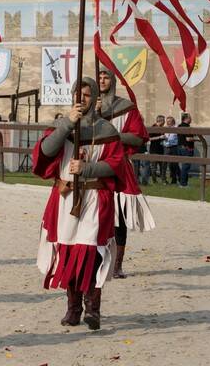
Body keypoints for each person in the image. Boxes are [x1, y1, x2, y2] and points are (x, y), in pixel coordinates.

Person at [32, 77, 124, 330]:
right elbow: (46, 152)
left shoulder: (106, 130)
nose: (81, 99)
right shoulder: (62, 125)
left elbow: (117, 165)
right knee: (69, 252)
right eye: (77, 94)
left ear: (95, 99)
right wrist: (67, 124)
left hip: (94, 198)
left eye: (86, 95)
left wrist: (88, 167)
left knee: (92, 252)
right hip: (66, 199)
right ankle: (73, 309)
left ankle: (93, 309)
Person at [97, 69, 155, 279]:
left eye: (106, 77)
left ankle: (117, 265)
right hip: (93, 165)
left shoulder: (125, 108)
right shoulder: (87, 106)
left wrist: (113, 135)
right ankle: (95, 260)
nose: (102, 80)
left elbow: (138, 137)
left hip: (118, 166)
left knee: (118, 217)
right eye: (99, 77)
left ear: (112, 81)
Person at [176, 113, 194, 187]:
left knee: (183, 166)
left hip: (180, 147)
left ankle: (183, 182)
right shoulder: (187, 127)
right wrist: (197, 139)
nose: (191, 119)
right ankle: (183, 184)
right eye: (190, 118)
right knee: (186, 166)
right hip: (186, 148)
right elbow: (188, 139)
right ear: (186, 119)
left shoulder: (179, 126)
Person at [147, 115, 166, 184]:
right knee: (154, 167)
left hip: (161, 149)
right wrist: (159, 137)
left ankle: (163, 180)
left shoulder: (162, 128)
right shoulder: (153, 128)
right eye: (164, 121)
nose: (165, 122)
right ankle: (154, 181)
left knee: (162, 166)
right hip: (154, 150)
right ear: (160, 121)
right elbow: (149, 139)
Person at [162, 116, 180, 184]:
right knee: (164, 163)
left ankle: (174, 179)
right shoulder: (165, 129)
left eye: (169, 121)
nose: (167, 123)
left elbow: (176, 138)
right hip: (166, 147)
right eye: (167, 121)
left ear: (173, 122)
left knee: (173, 164)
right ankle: (164, 179)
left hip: (173, 147)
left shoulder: (176, 128)